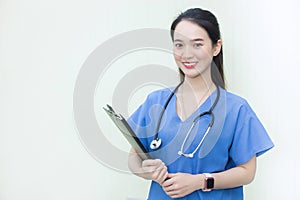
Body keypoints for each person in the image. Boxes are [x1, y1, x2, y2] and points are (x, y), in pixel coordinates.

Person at [127, 7, 274, 200]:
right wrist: (148, 171)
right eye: (179, 45)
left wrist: (200, 181)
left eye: (197, 44)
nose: (186, 54)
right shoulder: (156, 101)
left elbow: (247, 171)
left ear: (216, 47)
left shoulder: (236, 109)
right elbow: (134, 157)